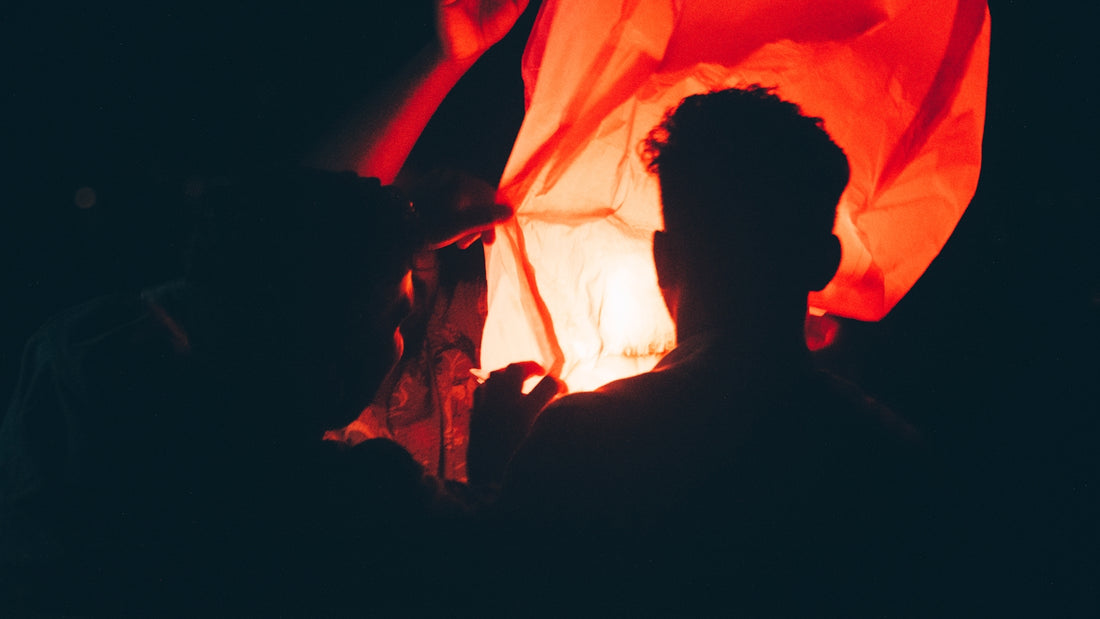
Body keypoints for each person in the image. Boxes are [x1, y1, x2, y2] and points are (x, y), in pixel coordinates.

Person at [0, 1, 529, 615]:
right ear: (332, 384)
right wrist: (511, 462)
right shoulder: (312, 516)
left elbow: (282, 245)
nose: (411, 329)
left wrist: (442, 68)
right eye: (396, 320)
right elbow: (511, 557)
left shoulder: (90, 367)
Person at [472, 86, 946, 616]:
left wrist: (495, 482)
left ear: (663, 258)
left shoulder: (580, 438)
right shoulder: (897, 465)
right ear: (824, 260)